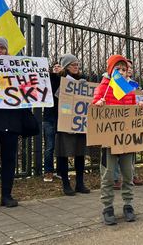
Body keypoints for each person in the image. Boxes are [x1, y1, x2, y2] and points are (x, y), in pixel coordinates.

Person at [93, 55, 137, 225]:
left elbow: (133, 111)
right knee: (108, 174)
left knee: (128, 173)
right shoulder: (102, 88)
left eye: (124, 69)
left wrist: (138, 109)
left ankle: (128, 205)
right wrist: (98, 105)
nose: (122, 72)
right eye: (118, 69)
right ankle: (107, 207)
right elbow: (93, 112)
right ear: (111, 70)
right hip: (109, 141)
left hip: (127, 140)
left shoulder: (129, 90)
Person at [54, 53, 90, 196]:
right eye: (73, 65)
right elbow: (55, 98)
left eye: (77, 65)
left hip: (78, 123)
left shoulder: (83, 80)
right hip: (64, 122)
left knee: (80, 153)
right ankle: (66, 184)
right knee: (63, 153)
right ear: (66, 67)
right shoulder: (58, 80)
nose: (76, 67)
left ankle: (80, 183)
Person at [0, 37, 21, 208]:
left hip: (10, 121)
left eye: (2, 48)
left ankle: (7, 195)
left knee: (9, 159)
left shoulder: (18, 68)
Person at [113, 59, 143, 189]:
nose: (128, 70)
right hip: (116, 122)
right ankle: (115, 178)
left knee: (130, 151)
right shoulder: (113, 83)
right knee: (114, 152)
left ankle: (131, 175)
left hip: (130, 122)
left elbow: (135, 100)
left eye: (129, 68)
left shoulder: (134, 84)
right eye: (125, 68)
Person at [43, 61, 62, 182]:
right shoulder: (47, 79)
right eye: (54, 67)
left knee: (61, 146)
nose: (56, 68)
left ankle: (60, 171)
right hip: (49, 118)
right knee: (49, 147)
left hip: (62, 117)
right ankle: (48, 172)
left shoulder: (65, 80)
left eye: (58, 66)